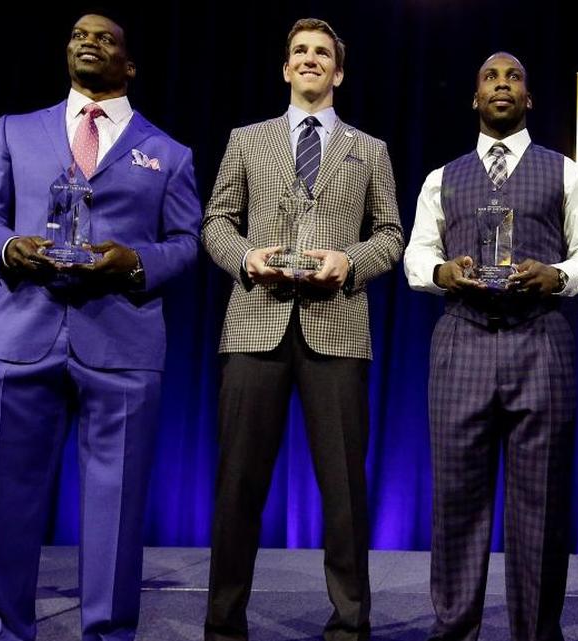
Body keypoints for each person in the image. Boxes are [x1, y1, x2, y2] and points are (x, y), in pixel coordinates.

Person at [0, 11, 202, 641]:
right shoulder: (16, 131)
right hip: (19, 335)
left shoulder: (168, 154)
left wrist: (137, 262)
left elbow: (187, 241)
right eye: (78, 35)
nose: (89, 41)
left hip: (122, 342)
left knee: (114, 510)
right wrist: (11, 247)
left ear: (129, 66)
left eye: (106, 38)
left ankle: (107, 635)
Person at [201, 17, 404, 641]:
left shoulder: (369, 149)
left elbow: (392, 235)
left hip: (336, 328)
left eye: (322, 53)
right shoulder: (247, 140)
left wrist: (352, 264)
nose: (310, 59)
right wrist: (245, 258)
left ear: (338, 72)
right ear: (286, 69)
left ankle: (349, 625)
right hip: (255, 325)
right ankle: (224, 624)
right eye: (299, 52)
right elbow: (216, 222)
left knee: (344, 489)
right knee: (238, 484)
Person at [403, 52, 578, 641]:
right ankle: (454, 629)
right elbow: (416, 254)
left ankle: (536, 633)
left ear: (528, 99)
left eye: (513, 77)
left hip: (541, 344)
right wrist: (443, 273)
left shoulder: (565, 172)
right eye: (490, 78)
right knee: (456, 500)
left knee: (540, 505)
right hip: (462, 342)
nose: (502, 84)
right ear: (475, 99)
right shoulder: (442, 178)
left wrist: (560, 275)